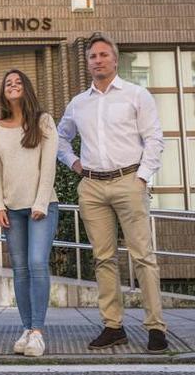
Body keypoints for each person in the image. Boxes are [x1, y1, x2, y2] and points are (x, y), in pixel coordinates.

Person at [57, 32, 167, 353]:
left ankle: (156, 327)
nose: (98, 60)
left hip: (128, 181)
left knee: (143, 257)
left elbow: (155, 139)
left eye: (104, 55)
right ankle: (113, 326)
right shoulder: (79, 103)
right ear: (88, 63)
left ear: (115, 59)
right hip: (92, 186)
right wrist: (75, 164)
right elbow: (61, 139)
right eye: (93, 56)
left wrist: (142, 178)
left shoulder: (136, 95)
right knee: (103, 258)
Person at [0, 69, 59, 357]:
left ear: (26, 88)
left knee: (37, 263)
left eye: (18, 82)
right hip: (11, 210)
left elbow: (49, 165)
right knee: (19, 269)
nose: (13, 86)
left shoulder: (43, 121)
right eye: (8, 83)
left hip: (41, 206)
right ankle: (27, 328)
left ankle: (38, 332)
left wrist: (41, 202)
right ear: (3, 92)